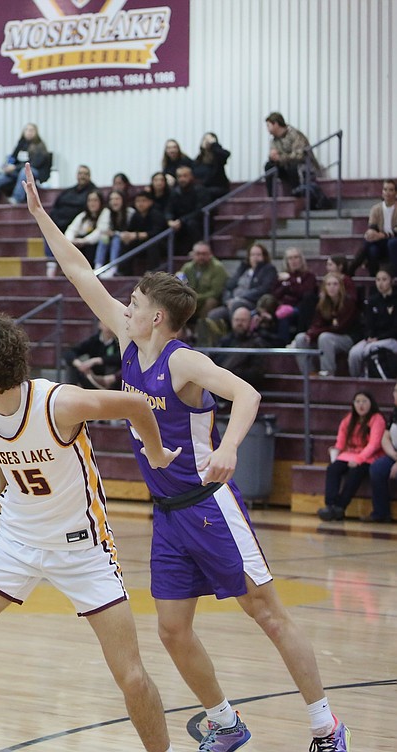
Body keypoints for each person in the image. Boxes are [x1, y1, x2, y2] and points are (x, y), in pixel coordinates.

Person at [23, 163, 352, 752]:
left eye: (135, 299)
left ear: (156, 316)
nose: (124, 302)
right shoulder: (128, 339)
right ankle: (226, 722)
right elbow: (79, 272)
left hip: (209, 505)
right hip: (167, 514)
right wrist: (42, 216)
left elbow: (246, 393)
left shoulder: (182, 361)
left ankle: (326, 725)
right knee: (173, 630)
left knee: (268, 614)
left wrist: (228, 447)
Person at [0, 306, 179, 752]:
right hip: (16, 542)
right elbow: (2, 461)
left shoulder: (60, 403)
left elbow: (136, 404)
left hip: (82, 549)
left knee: (131, 677)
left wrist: (155, 454)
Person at [318, 391, 385, 521]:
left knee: (355, 472)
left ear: (371, 403)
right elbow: (341, 440)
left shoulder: (377, 419)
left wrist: (359, 459)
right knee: (333, 469)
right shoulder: (348, 419)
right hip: (349, 454)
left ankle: (340, 506)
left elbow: (374, 445)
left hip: (369, 456)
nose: (361, 405)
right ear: (353, 404)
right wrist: (336, 450)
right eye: (358, 401)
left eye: (364, 401)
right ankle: (330, 505)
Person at [288, 272, 358, 377]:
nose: (332, 287)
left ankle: (328, 374)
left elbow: (339, 328)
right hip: (327, 335)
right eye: (328, 284)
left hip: (347, 338)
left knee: (325, 338)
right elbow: (317, 323)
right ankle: (309, 374)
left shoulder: (348, 302)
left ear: (341, 287)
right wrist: (310, 333)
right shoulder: (323, 303)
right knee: (300, 338)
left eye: (335, 284)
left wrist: (314, 333)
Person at [0, 123, 51, 205]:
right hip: (19, 170)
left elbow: (35, 164)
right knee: (3, 176)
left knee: (24, 171)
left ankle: (16, 198)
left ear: (36, 132)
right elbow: (13, 157)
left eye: (31, 130)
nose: (29, 132)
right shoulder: (21, 144)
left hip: (35, 172)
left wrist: (15, 167)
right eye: (27, 130)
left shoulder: (40, 147)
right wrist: (7, 165)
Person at [44, 165, 97, 276]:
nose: (82, 176)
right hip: (59, 223)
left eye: (85, 174)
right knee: (47, 230)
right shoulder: (67, 192)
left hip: (77, 226)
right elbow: (56, 207)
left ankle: (66, 267)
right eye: (80, 173)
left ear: (89, 176)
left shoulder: (93, 192)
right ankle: (51, 263)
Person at [347, 266, 397, 378]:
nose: (380, 283)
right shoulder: (372, 300)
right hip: (373, 339)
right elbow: (367, 323)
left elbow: (395, 328)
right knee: (354, 353)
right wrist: (368, 336)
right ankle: (355, 379)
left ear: (392, 281)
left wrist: (378, 339)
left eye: (384, 280)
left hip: (391, 339)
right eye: (378, 280)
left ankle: (368, 376)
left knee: (370, 349)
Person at [362, 382, 397, 523]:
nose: (395, 394)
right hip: (394, 453)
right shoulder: (394, 412)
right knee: (377, 468)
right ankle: (381, 513)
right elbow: (385, 436)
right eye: (395, 390)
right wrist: (394, 455)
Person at [348, 179, 397, 277]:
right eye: (385, 189)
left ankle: (351, 267)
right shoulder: (376, 208)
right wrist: (370, 234)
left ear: (396, 193)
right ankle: (374, 277)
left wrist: (382, 235)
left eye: (391, 190)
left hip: (393, 240)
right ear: (382, 192)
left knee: (391, 243)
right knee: (371, 247)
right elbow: (372, 227)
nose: (387, 193)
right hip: (380, 241)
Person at [265, 112, 319, 196]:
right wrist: (272, 157)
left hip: (303, 166)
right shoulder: (274, 140)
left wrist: (280, 158)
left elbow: (299, 155)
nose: (267, 129)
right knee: (269, 166)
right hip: (286, 167)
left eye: (268, 126)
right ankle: (271, 197)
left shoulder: (295, 135)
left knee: (292, 166)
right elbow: (276, 157)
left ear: (275, 124)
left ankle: (297, 195)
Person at [272, 247, 319, 342]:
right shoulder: (281, 277)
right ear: (286, 261)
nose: (293, 261)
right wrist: (286, 286)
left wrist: (290, 281)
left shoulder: (309, 276)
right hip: (283, 306)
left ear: (301, 260)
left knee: (286, 314)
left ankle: (290, 343)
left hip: (301, 308)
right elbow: (275, 295)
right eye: (290, 258)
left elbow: (304, 293)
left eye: (296, 257)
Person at [63, 321, 121, 390]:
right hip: (93, 378)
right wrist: (79, 365)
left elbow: (120, 358)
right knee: (72, 365)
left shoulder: (119, 342)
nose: (109, 326)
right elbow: (69, 352)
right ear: (100, 324)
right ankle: (72, 391)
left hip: (114, 379)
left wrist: (97, 360)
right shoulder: (94, 340)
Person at [178, 241, 228, 322]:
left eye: (204, 254)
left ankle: (202, 328)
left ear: (210, 254)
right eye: (198, 254)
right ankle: (180, 330)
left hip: (207, 300)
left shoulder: (218, 268)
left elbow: (215, 292)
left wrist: (196, 297)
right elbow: (180, 286)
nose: (201, 257)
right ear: (193, 254)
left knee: (211, 301)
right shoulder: (187, 268)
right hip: (191, 300)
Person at [194, 132, 231, 197]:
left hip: (218, 187)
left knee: (202, 192)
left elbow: (225, 154)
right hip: (203, 187)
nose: (207, 141)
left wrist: (214, 144)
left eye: (209, 139)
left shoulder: (218, 156)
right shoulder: (199, 159)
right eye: (205, 139)